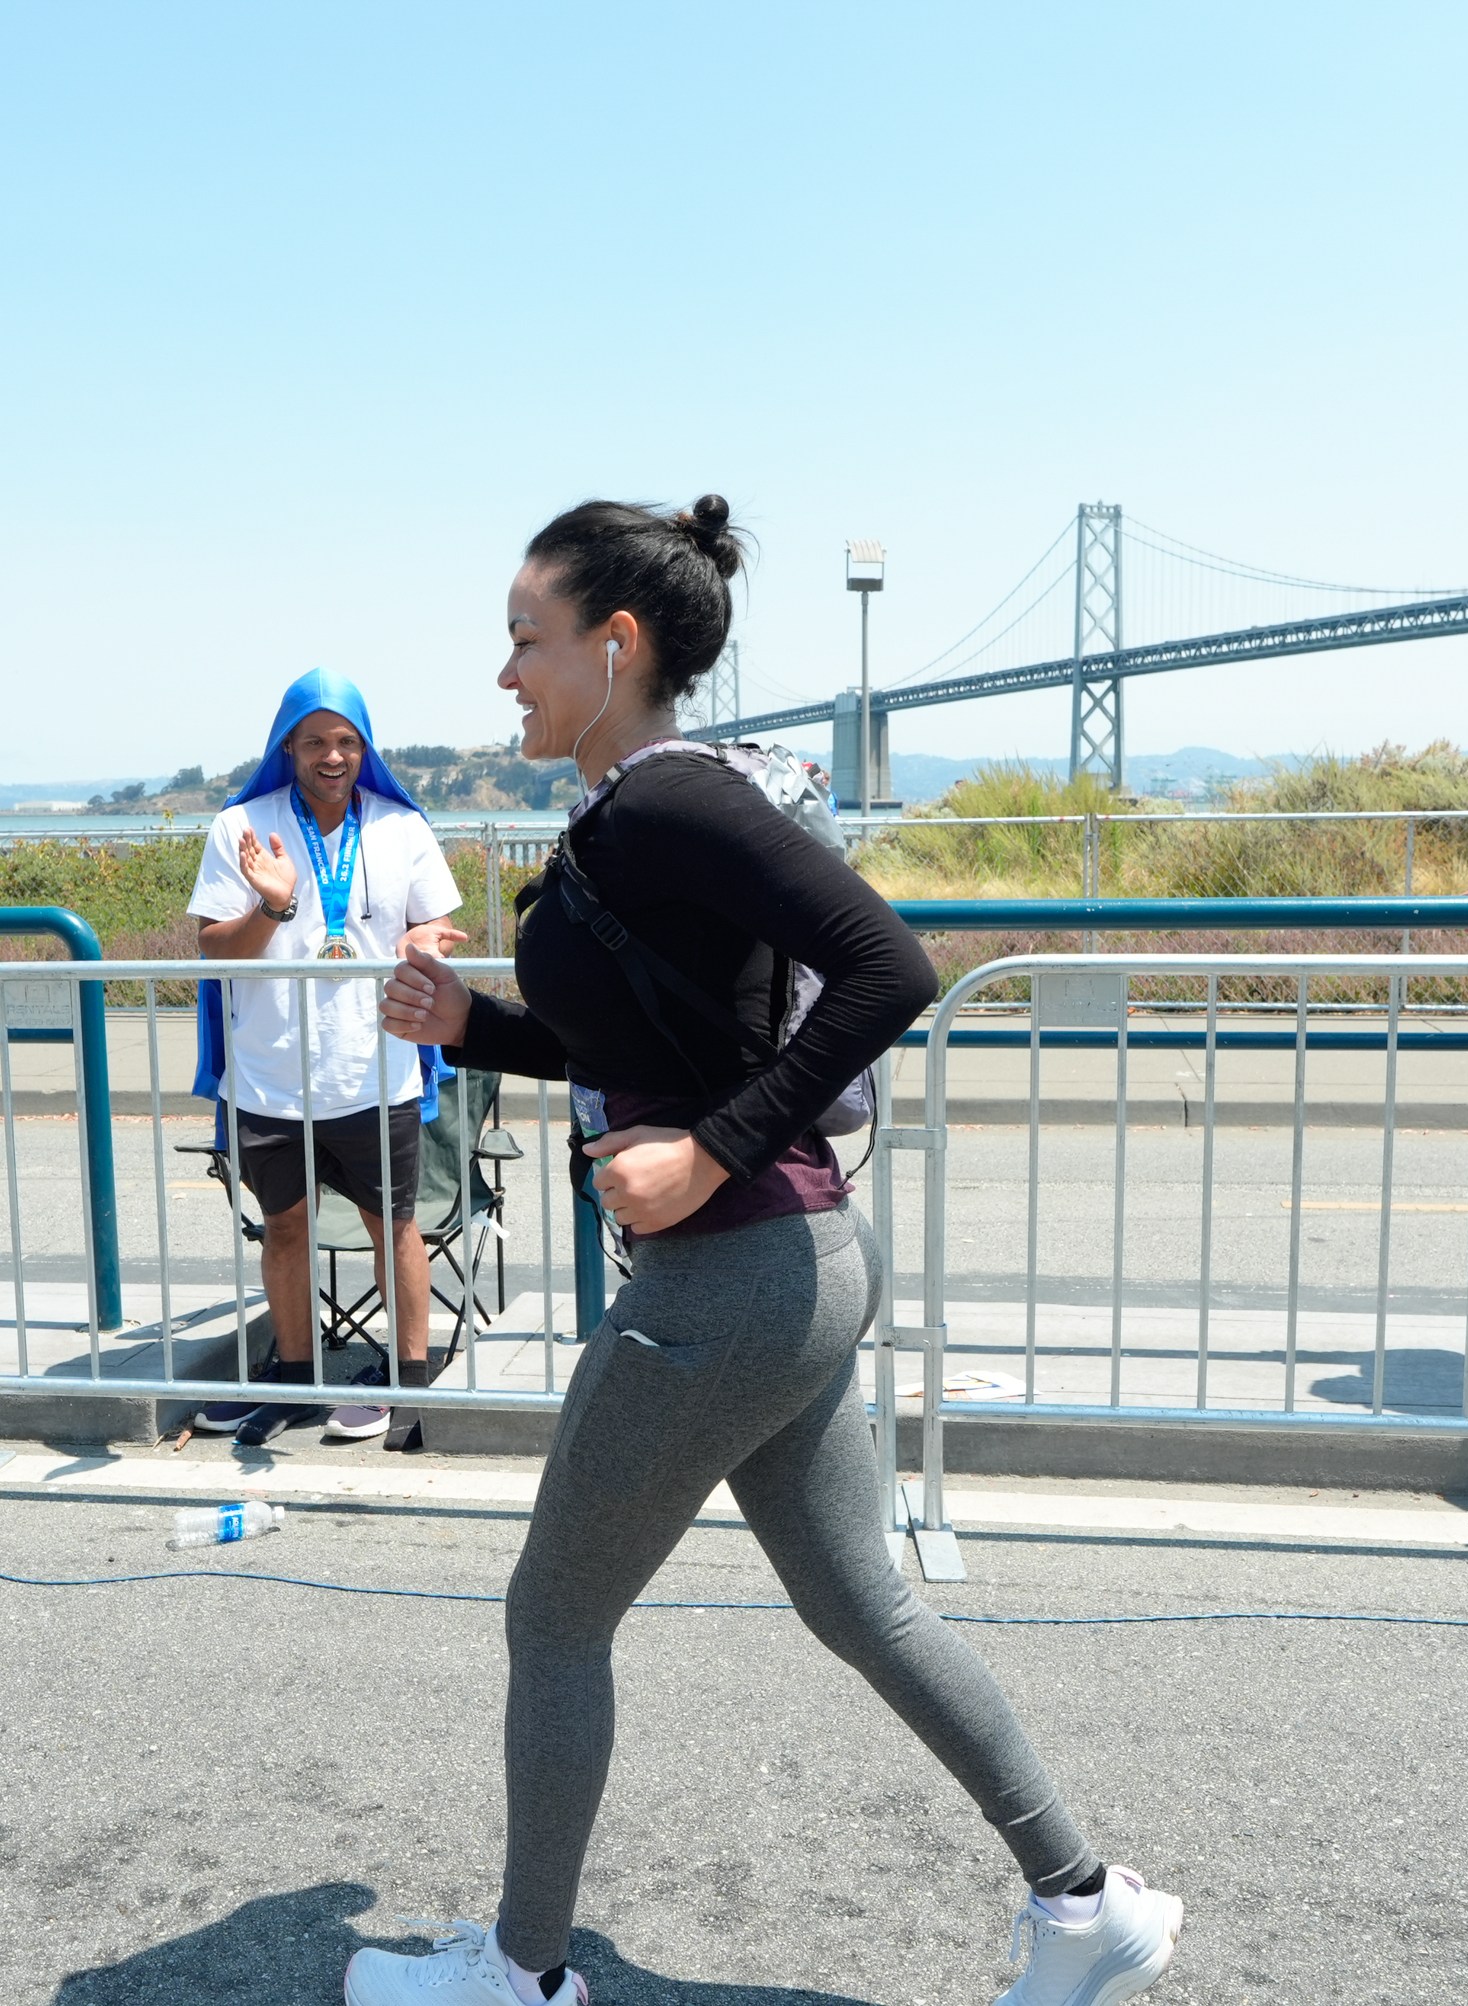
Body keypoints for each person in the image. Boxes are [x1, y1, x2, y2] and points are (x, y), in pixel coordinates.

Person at [343, 497, 1182, 2006]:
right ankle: (1083, 1902)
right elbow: (662, 1048)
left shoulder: (670, 801)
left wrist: (709, 1152)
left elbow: (891, 966)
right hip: (792, 1262)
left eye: (527, 640)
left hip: (729, 1275)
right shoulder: (627, 818)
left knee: (552, 1615)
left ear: (616, 645)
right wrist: (480, 1028)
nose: (504, 674)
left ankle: (519, 1975)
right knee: (865, 1601)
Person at [187, 670, 466, 1447]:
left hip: (375, 1073)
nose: (332, 755)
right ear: (289, 748)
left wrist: (425, 939)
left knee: (395, 1229)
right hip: (269, 1078)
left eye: (346, 741)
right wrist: (273, 905)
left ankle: (409, 1385)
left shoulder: (401, 828)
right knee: (283, 1230)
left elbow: (435, 925)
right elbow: (213, 952)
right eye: (315, 741)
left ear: (364, 750)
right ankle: (295, 1381)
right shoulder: (241, 825)